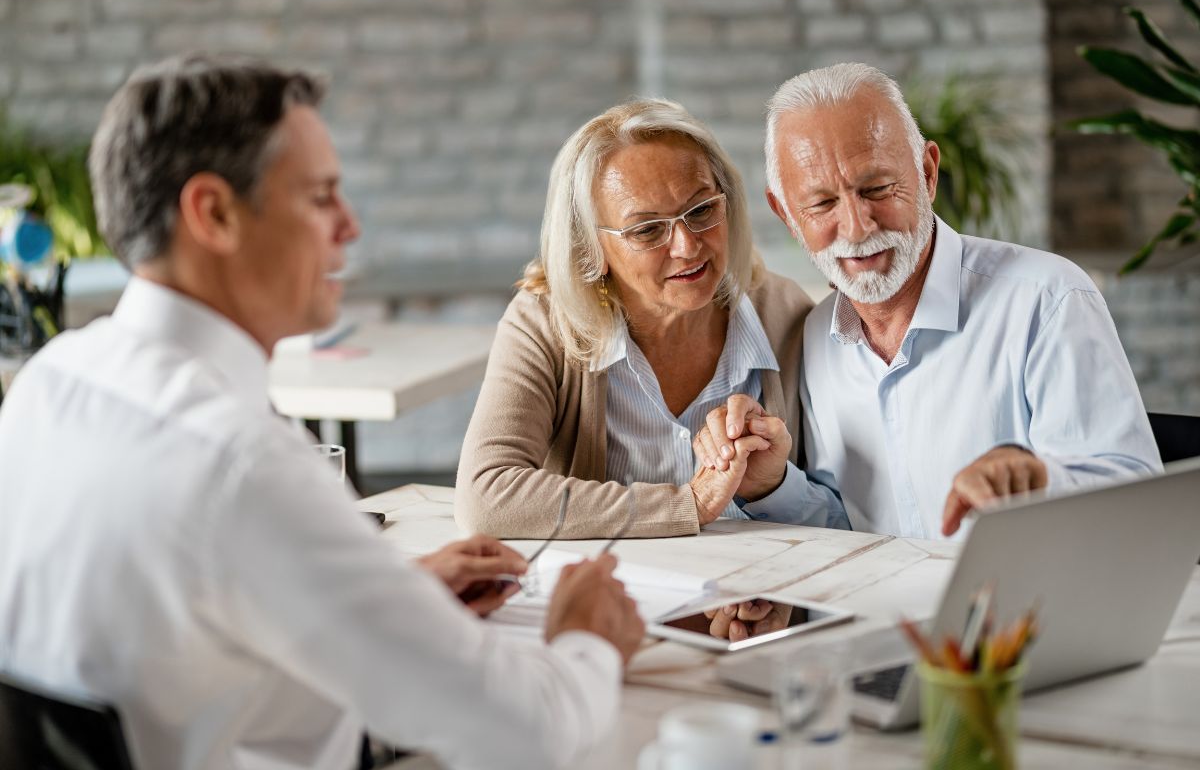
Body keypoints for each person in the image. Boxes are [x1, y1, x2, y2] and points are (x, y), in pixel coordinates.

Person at [0, 55, 644, 770]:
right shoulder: (244, 465)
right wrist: (586, 639)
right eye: (321, 197)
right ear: (212, 213)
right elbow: (527, 734)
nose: (350, 226)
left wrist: (380, 599)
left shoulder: (47, 382)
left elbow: (160, 624)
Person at [693, 62, 1161, 540]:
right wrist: (771, 485)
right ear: (788, 217)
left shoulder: (1047, 298)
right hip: (887, 613)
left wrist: (1037, 481)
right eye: (822, 205)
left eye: (876, 188)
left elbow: (1138, 503)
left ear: (927, 174)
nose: (857, 228)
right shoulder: (817, 336)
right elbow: (853, 528)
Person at [454, 99, 849, 540]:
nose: (686, 246)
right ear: (592, 250)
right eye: (646, 230)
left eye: (701, 211)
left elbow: (843, 517)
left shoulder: (787, 313)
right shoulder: (545, 323)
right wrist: (689, 504)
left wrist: (772, 487)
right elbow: (485, 498)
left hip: (755, 598)